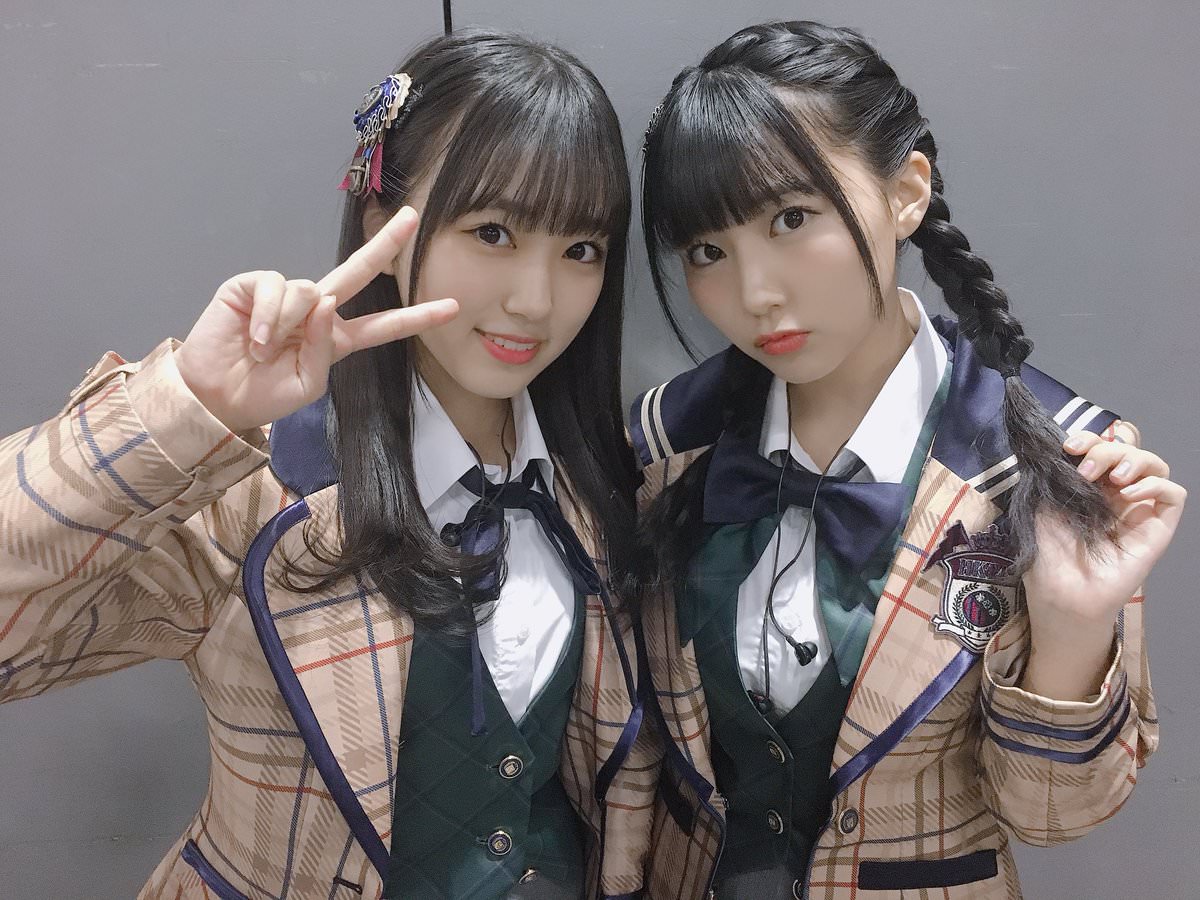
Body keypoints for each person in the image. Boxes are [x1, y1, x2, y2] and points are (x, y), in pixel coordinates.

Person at [0, 27, 654, 900]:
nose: (536, 300)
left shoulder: (598, 488)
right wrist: (189, 407)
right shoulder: (260, 488)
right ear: (383, 223)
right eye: (493, 231)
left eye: (581, 250)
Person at [630, 20, 1184, 899]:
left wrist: (1074, 628)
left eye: (792, 218)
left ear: (906, 192)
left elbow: (1052, 817)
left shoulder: (1055, 463)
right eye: (708, 251)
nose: (754, 292)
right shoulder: (666, 444)